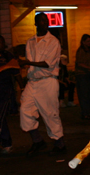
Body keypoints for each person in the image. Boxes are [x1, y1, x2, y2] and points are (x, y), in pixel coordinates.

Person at [19, 12, 66, 156]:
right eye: (41, 21)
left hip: (47, 82)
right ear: (36, 23)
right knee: (24, 110)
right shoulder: (30, 41)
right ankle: (38, 141)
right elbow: (30, 64)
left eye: (46, 21)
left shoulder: (53, 41)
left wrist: (27, 62)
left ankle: (59, 144)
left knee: (50, 114)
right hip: (33, 81)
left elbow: (48, 64)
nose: (45, 23)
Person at [75, 34, 90, 119]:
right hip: (82, 74)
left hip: (87, 74)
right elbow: (79, 63)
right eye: (88, 41)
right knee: (84, 94)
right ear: (83, 42)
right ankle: (85, 112)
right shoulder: (81, 51)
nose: (89, 43)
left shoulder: (89, 50)